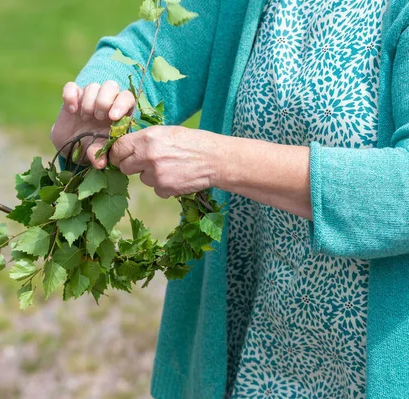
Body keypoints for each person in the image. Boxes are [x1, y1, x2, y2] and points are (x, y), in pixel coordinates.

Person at [50, 0, 409, 397]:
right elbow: (149, 46)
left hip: (361, 368)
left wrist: (219, 161)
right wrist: (102, 96)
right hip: (252, 352)